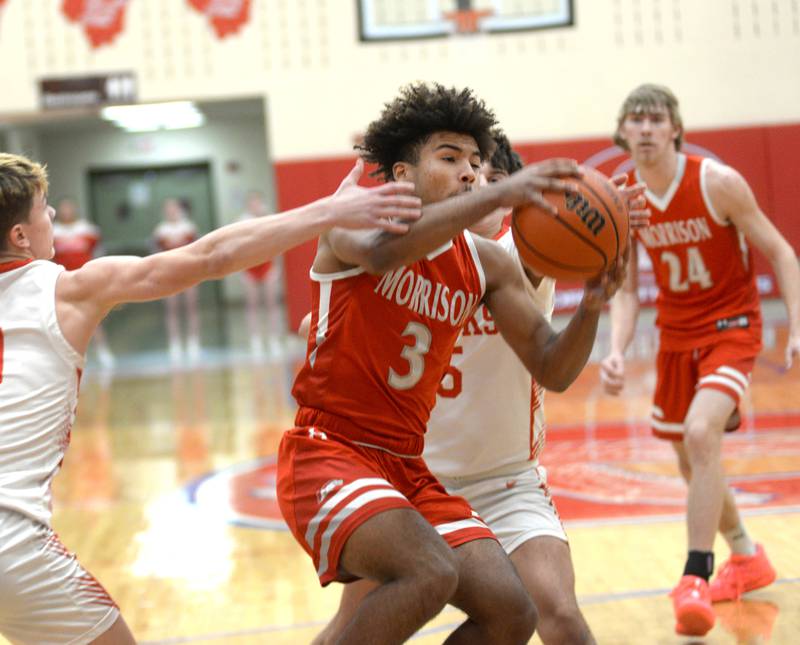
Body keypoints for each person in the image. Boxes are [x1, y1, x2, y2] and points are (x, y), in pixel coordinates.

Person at [0, 151, 422, 645]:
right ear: (19, 237)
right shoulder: (65, 289)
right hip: (12, 538)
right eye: (43, 206)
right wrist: (329, 211)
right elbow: (209, 257)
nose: (52, 214)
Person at [277, 83, 627, 644]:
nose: (469, 172)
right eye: (449, 158)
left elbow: (552, 367)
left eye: (475, 161)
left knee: (515, 611)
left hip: (412, 467)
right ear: (400, 176)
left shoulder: (486, 264)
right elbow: (385, 253)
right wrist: (497, 194)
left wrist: (592, 305)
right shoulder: (350, 221)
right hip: (331, 452)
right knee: (428, 573)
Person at [600, 83, 800, 637]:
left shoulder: (717, 183)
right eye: (634, 119)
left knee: (700, 432)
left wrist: (796, 326)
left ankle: (695, 574)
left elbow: (781, 250)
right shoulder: (626, 199)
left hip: (732, 327)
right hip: (675, 335)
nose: (643, 128)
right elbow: (626, 289)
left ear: (674, 129)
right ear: (623, 132)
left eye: (654, 118)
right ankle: (746, 554)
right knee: (693, 462)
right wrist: (615, 351)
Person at [53, 197, 114, 367]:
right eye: (63, 208)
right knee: (68, 320)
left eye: (69, 208)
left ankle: (103, 351)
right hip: (64, 282)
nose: (66, 211)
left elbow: (98, 253)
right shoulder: (54, 232)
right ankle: (75, 357)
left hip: (85, 281)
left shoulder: (87, 230)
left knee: (93, 317)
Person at [237, 190, 284, 358]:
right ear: (248, 205)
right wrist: (241, 270)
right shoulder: (242, 222)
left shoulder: (269, 219)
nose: (255, 205)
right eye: (252, 203)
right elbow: (239, 249)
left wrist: (277, 268)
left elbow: (277, 243)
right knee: (252, 305)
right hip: (250, 268)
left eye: (258, 202)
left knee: (272, 304)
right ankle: (255, 340)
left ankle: (274, 340)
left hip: (267, 265)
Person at [152, 197, 201, 361]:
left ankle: (193, 341)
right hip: (168, 274)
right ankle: (174, 343)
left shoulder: (189, 227)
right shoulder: (161, 230)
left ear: (179, 209)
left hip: (188, 272)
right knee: (172, 309)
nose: (171, 211)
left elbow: (198, 250)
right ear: (165, 211)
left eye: (174, 208)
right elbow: (155, 253)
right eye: (168, 208)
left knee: (191, 307)